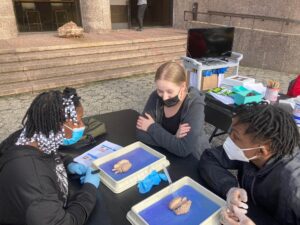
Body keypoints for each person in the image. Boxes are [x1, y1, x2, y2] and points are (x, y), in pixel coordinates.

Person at [0, 87, 100, 225]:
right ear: (59, 125)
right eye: (78, 121)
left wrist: (68, 164)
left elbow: (50, 154)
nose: (83, 126)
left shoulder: (31, 136)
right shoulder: (35, 184)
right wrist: (89, 189)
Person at [198, 102, 300, 225]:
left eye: (236, 137)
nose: (229, 140)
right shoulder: (249, 153)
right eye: (231, 133)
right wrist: (229, 188)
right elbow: (209, 158)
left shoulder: (293, 187)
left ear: (262, 150)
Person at [136, 61, 210, 159]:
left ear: (183, 86)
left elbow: (183, 149)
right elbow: (140, 133)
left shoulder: (194, 104)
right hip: (166, 155)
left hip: (194, 159)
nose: (165, 97)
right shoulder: (155, 97)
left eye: (170, 91)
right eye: (160, 91)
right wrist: (174, 139)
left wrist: (151, 127)